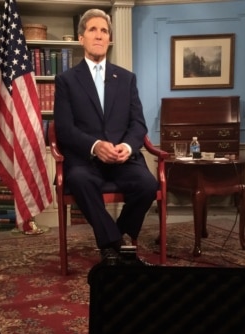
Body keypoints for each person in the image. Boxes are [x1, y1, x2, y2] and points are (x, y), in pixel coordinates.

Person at [53, 8, 158, 261]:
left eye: (104, 31)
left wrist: (128, 147)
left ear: (109, 38)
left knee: (148, 185)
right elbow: (65, 129)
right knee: (78, 180)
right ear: (81, 38)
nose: (99, 36)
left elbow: (138, 124)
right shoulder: (66, 80)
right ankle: (116, 244)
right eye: (92, 30)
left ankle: (115, 237)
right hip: (86, 160)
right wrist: (95, 145)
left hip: (123, 160)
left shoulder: (126, 78)